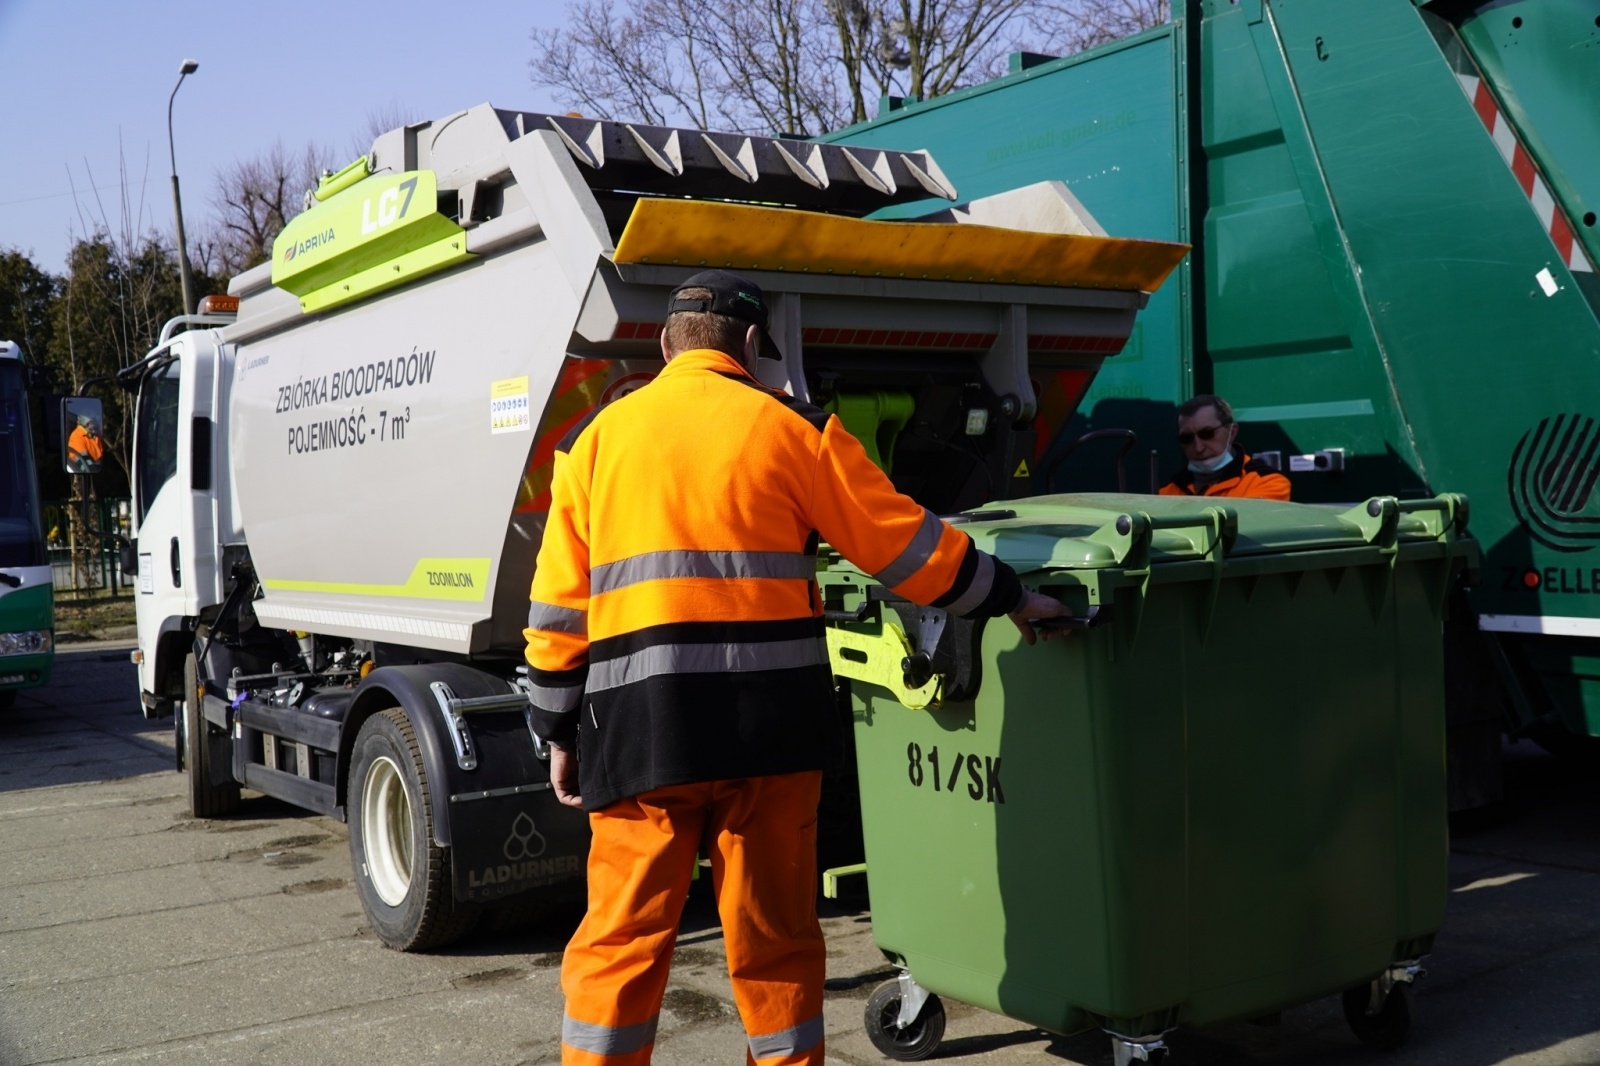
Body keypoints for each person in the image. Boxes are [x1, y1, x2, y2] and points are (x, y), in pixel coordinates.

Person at [524, 269, 1068, 1066]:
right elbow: (910, 552)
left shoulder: (591, 445)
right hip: (771, 736)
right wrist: (1014, 597)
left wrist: (554, 725)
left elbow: (558, 614)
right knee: (776, 942)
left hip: (640, 736)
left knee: (622, 940)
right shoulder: (796, 429)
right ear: (751, 345)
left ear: (665, 344)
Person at [1159, 394, 1289, 500]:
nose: (1198, 448)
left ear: (1232, 432)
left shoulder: (1268, 482)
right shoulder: (1168, 493)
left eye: (1207, 434)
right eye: (1187, 438)